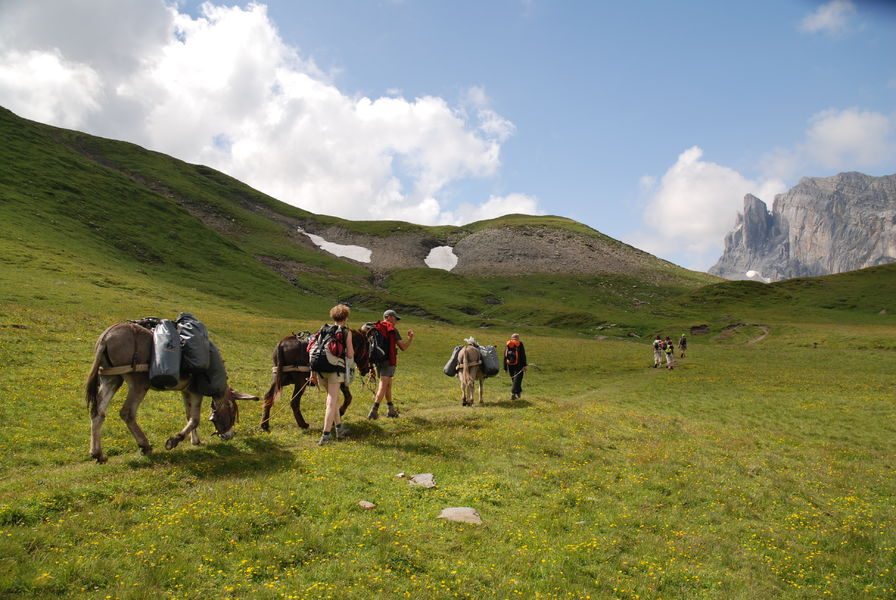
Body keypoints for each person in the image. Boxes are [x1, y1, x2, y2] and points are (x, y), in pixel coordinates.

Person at [315, 304, 354, 446]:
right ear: (346, 317)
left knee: (333, 399)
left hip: (320, 369)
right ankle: (325, 435)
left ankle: (339, 429)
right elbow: (350, 354)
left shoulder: (323, 329)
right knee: (331, 402)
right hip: (335, 371)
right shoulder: (346, 332)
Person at [367, 309, 414, 419]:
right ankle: (374, 411)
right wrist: (410, 339)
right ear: (388, 317)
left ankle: (391, 410)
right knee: (383, 385)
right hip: (389, 361)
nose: (396, 321)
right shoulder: (391, 329)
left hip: (378, 360)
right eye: (395, 318)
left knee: (388, 384)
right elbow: (403, 347)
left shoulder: (376, 328)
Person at [503, 333, 528, 400]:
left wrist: (505, 367)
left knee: (514, 380)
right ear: (518, 338)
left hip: (510, 365)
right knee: (517, 380)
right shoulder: (520, 344)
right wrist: (525, 365)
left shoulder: (508, 344)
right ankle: (513, 393)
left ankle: (518, 392)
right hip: (519, 366)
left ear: (511, 338)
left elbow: (505, 356)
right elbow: (523, 355)